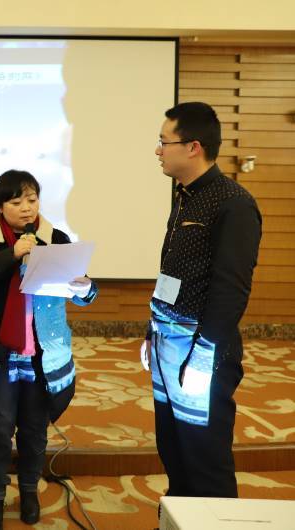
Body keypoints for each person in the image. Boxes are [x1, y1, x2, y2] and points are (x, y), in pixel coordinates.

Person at [0, 170, 97, 528]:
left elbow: (83, 293)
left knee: (35, 429)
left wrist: (84, 287)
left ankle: (30, 490)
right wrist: (12, 254)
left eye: (32, 200)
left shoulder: (56, 239)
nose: (26, 208)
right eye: (16, 201)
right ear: (0, 207)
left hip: (41, 355)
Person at [142, 102, 261, 500]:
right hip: (166, 345)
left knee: (204, 460)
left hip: (200, 355)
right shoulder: (184, 196)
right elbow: (172, 274)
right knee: (173, 449)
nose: (158, 150)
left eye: (164, 142)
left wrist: (202, 355)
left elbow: (231, 289)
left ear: (193, 147)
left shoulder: (233, 203)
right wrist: (153, 331)